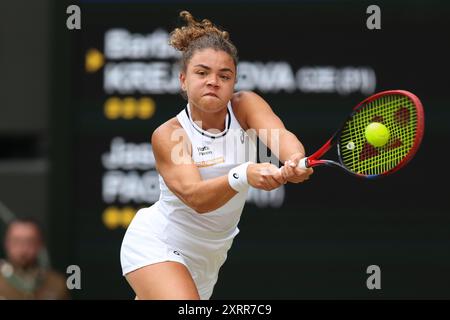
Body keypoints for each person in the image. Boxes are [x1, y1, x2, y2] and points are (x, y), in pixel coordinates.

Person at [120, 10, 314, 300]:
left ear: (234, 82)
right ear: (183, 80)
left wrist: (295, 160)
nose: (214, 81)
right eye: (202, 72)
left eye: (225, 75)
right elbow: (196, 197)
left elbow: (281, 137)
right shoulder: (169, 134)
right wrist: (244, 173)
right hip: (157, 243)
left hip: (208, 260)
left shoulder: (245, 105)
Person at [0, 217, 70, 299]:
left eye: (29, 242)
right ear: (6, 243)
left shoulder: (56, 283)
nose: (23, 249)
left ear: (40, 244)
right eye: (16, 241)